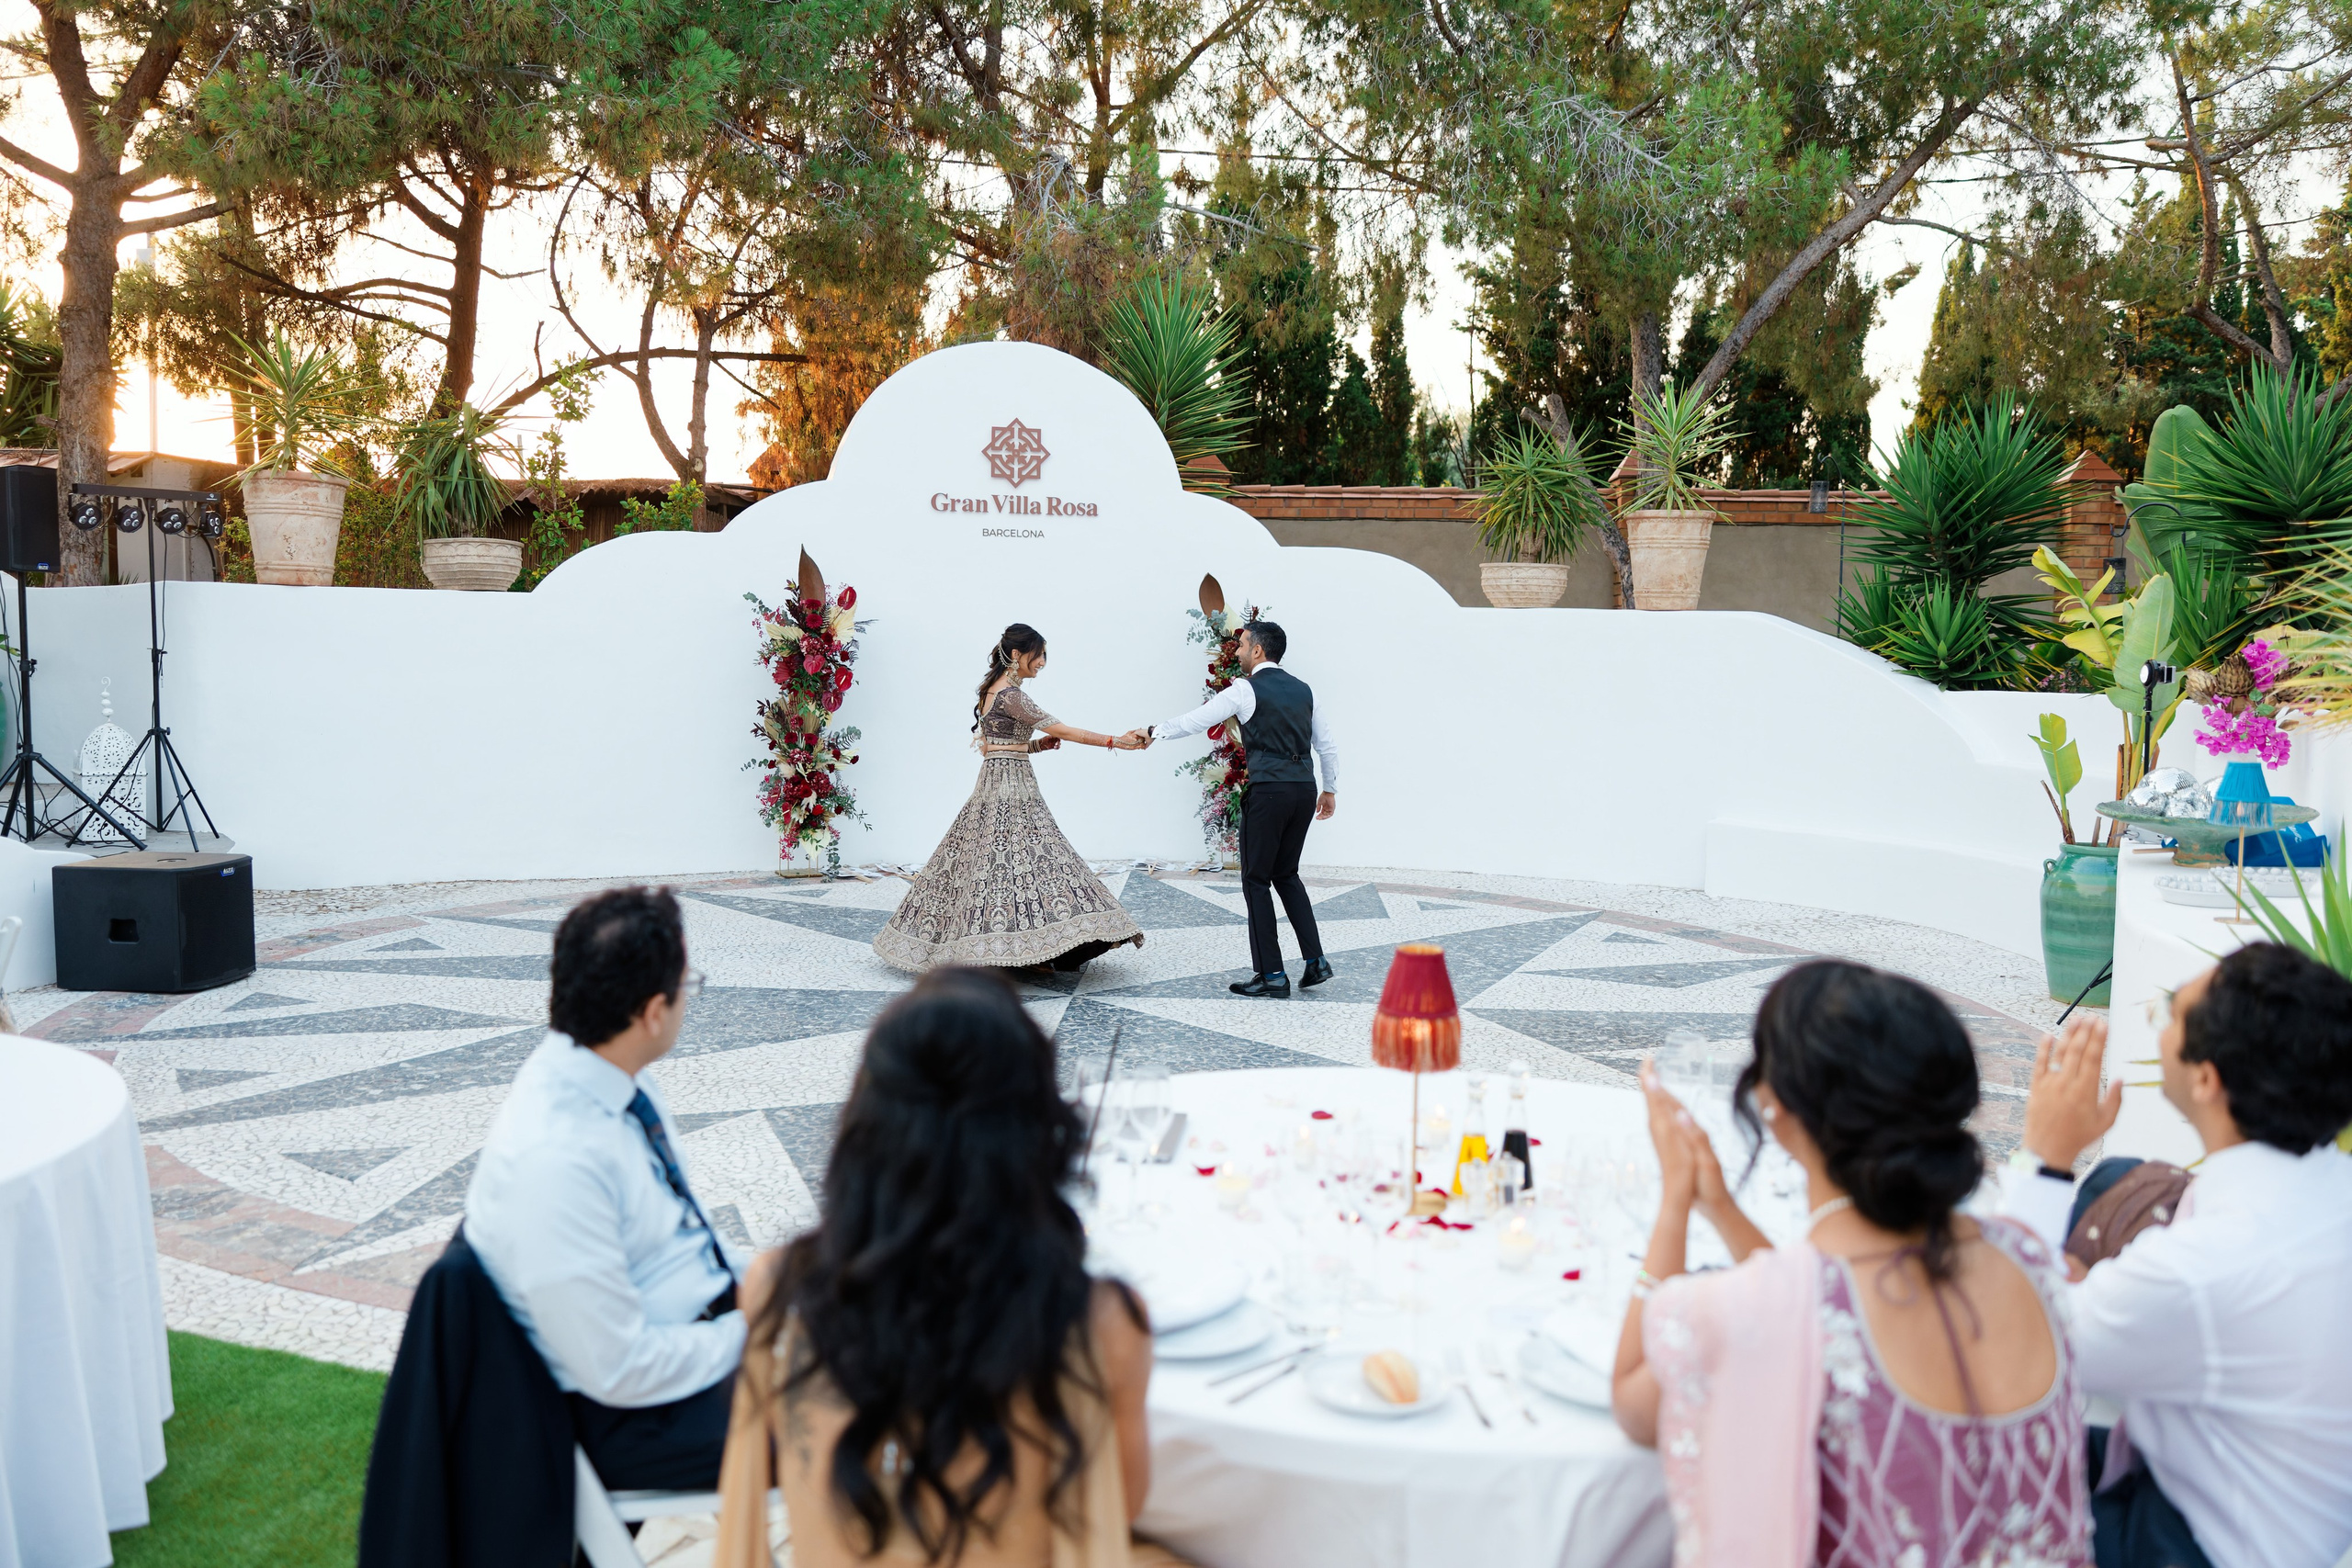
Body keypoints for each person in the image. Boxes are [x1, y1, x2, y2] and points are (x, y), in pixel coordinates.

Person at [1611, 959, 2090, 1568]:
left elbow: (1634, 1402)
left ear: (1774, 1106)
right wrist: (1723, 1210)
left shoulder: (1752, 1309)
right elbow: (1818, 1304)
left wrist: (1675, 1200)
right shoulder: (2029, 1258)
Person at [715, 967, 1188, 1567]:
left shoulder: (776, 1290)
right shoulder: (1104, 1321)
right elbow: (1119, 1507)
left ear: (863, 1125)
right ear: (1034, 1128)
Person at [2006, 942, 2352, 1568]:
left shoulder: (2204, 1267)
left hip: (2197, 1543)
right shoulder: (2328, 1188)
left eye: (2170, 1012)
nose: (2158, 1023)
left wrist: (2045, 1158)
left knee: (1960, 1451)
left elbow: (2009, 1347)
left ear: (2206, 1079)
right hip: (2272, 1511)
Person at [465, 886, 741, 1491]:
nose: (688, 1000)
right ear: (653, 1012)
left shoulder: (616, 1077)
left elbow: (677, 1237)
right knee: (883, 1410)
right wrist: (754, 1335)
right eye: (687, 986)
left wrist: (789, 1283)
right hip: (637, 1417)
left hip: (696, 1340)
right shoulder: (557, 1157)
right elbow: (616, 1368)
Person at [874, 623, 1147, 976]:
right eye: (1039, 654)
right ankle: (1027, 949)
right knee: (1040, 860)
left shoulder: (990, 691)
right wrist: (1118, 741)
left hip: (991, 784)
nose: (1043, 662)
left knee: (995, 866)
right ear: (1017, 654)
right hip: (1014, 789)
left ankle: (1008, 950)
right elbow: (1065, 731)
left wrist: (1037, 746)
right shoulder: (1012, 696)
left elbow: (992, 747)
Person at [1125, 619, 1338, 998]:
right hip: (1304, 790)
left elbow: (1198, 719)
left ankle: (1272, 975)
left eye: (1241, 645)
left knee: (1256, 879)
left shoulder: (1245, 689)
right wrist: (1330, 789)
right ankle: (1316, 961)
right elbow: (1327, 745)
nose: (1237, 652)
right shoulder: (1306, 690)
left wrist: (1154, 731)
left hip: (1268, 791)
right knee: (1287, 874)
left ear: (1258, 650)